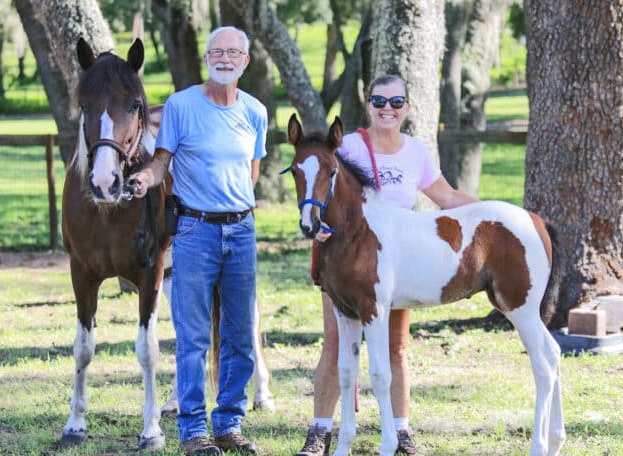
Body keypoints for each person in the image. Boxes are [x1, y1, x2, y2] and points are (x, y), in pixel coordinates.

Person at [296, 74, 479, 456]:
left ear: (407, 108)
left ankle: (400, 431)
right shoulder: (347, 147)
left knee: (396, 348)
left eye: (396, 102)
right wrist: (319, 229)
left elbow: (444, 197)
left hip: (397, 260)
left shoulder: (415, 151)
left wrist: (492, 213)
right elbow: (318, 190)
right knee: (335, 344)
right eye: (380, 101)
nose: (387, 109)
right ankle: (320, 431)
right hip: (345, 262)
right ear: (368, 105)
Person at [129, 26, 267, 456]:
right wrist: (142, 179)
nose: (224, 59)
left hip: (242, 232)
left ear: (245, 62)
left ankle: (228, 423)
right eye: (216, 52)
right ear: (207, 58)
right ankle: (193, 430)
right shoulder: (181, 105)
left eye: (233, 53)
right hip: (194, 231)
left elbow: (253, 172)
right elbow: (161, 162)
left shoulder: (256, 111)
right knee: (193, 337)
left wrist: (236, 206)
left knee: (241, 334)